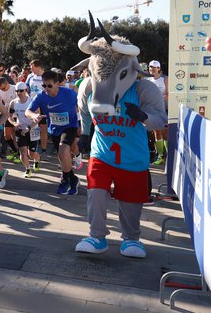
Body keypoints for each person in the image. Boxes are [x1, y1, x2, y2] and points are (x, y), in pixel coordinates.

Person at [73, 20, 167, 258]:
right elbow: (84, 111)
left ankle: (131, 238)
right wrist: (85, 133)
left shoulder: (144, 89)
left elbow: (160, 121)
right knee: (95, 193)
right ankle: (97, 236)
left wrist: (143, 116)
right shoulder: (87, 86)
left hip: (133, 156)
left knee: (131, 202)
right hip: (102, 152)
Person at [26, 70, 80, 195]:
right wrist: (33, 115)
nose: (46, 88)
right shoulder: (41, 96)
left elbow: (82, 105)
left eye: (49, 85)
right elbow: (27, 111)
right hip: (55, 129)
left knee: (63, 149)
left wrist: (81, 123)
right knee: (62, 156)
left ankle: (65, 180)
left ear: (57, 84)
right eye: (44, 85)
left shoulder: (68, 94)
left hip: (70, 126)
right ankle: (72, 178)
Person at [9, 82, 41, 178]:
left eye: (21, 91)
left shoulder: (32, 101)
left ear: (25, 90)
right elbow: (9, 116)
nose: (19, 93)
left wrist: (29, 128)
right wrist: (14, 123)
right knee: (23, 152)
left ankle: (37, 160)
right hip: (20, 130)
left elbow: (38, 118)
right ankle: (27, 169)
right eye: (17, 91)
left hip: (33, 129)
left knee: (31, 154)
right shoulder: (13, 103)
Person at [145, 60, 168, 166]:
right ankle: (160, 156)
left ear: (159, 69)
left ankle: (169, 156)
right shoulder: (147, 79)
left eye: (154, 67)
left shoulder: (165, 79)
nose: (152, 69)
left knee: (165, 133)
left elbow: (169, 94)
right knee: (156, 133)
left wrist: (159, 98)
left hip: (164, 109)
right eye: (150, 67)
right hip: (153, 110)